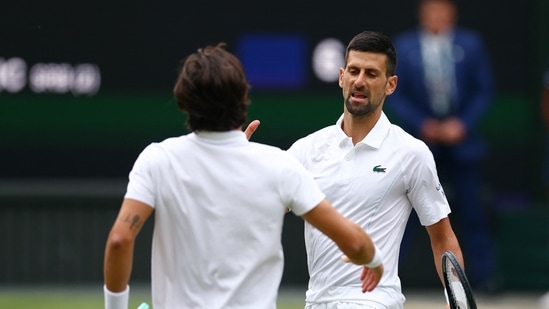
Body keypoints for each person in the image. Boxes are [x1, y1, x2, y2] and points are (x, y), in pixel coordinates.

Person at [102, 43, 384, 309]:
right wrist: (374, 261)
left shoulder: (157, 159)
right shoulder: (279, 165)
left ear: (183, 100)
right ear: (242, 98)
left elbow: (119, 240)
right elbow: (355, 243)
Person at [245, 30, 463, 308]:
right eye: (354, 71)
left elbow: (442, 236)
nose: (359, 81)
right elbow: (259, 207)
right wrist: (233, 165)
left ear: (390, 84)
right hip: (317, 301)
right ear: (341, 76)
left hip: (376, 301)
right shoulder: (306, 149)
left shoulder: (412, 153)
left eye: (371, 74)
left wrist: (455, 299)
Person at [387, 0, 497, 292]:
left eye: (442, 11)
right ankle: (388, 277)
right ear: (422, 14)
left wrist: (462, 125)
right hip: (421, 144)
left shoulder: (471, 45)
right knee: (406, 212)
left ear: (452, 14)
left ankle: (485, 279)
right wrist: (424, 125)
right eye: (431, 11)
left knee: (473, 212)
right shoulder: (405, 45)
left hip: (463, 144)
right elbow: (396, 94)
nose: (437, 17)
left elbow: (484, 90)